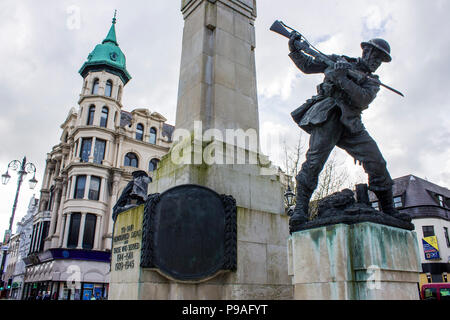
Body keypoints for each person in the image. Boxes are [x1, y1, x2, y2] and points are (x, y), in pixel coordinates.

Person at [287, 33, 410, 228]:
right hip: (328, 114)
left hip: (351, 123)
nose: (377, 62)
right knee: (314, 162)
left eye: (381, 60)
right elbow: (308, 65)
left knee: (376, 160)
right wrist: (294, 49)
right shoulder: (338, 60)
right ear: (366, 51)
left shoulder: (372, 80)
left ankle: (388, 208)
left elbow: (362, 99)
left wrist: (341, 78)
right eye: (376, 56)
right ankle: (301, 208)